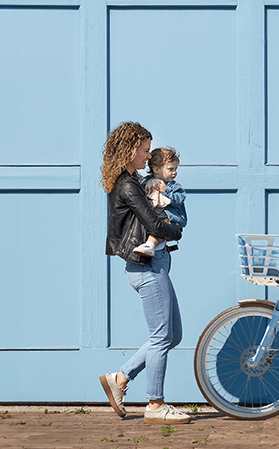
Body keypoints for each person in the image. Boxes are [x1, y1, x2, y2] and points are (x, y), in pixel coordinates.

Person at [98, 122, 190, 425]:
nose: (148, 156)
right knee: (161, 337)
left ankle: (120, 379)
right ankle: (155, 403)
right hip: (146, 266)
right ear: (131, 149)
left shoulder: (134, 181)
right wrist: (177, 228)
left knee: (172, 335)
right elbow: (154, 224)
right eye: (145, 150)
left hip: (155, 264)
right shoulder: (128, 185)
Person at [133, 147, 187, 257]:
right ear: (156, 170)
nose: (174, 173)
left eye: (175, 169)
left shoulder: (174, 186)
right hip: (152, 218)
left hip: (169, 219)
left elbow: (178, 201)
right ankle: (150, 246)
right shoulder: (147, 182)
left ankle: (149, 245)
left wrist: (165, 190)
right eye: (170, 169)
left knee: (160, 228)